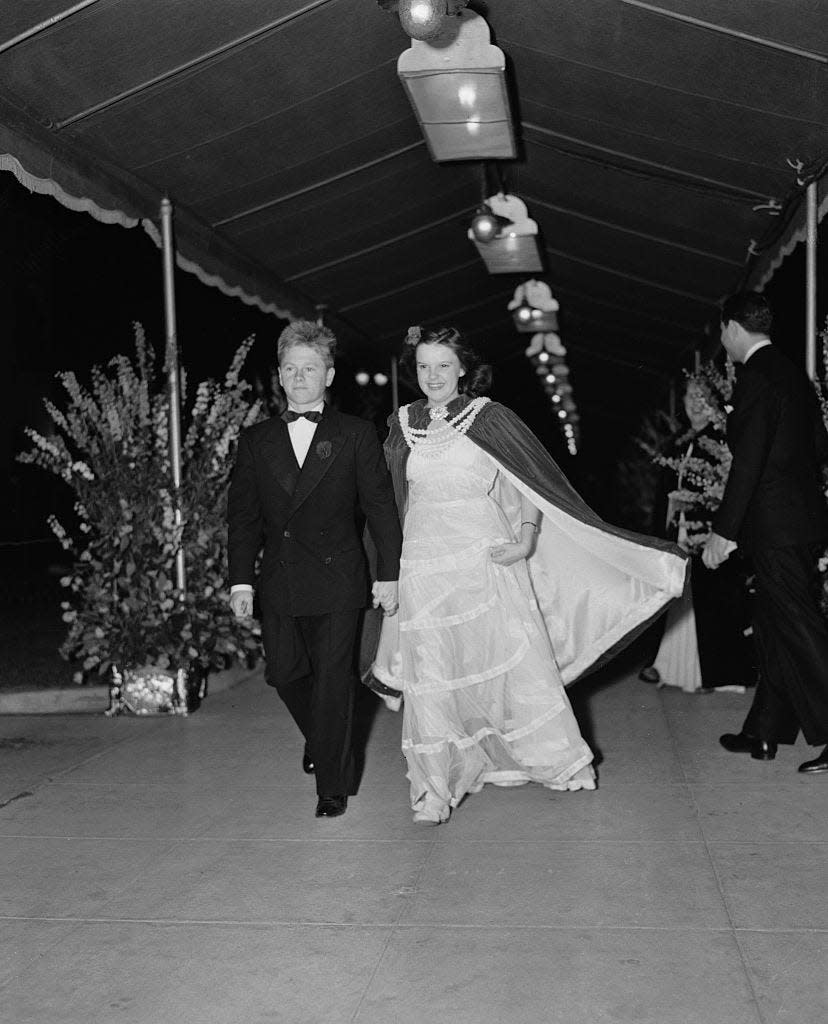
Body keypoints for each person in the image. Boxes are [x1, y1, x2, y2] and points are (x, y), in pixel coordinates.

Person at [369, 325, 688, 825]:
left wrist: (525, 537)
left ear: (464, 370)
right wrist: (386, 570)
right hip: (423, 564)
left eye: (443, 366)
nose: (432, 376)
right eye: (424, 366)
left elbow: (530, 485)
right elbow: (389, 501)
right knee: (430, 673)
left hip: (484, 559)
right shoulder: (401, 423)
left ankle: (554, 759)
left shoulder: (491, 417)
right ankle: (432, 787)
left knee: (508, 664)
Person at [227, 320, 403, 818]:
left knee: (332, 681)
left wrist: (387, 573)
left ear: (328, 376)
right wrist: (240, 579)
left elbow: (380, 508)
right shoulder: (256, 440)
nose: (300, 377)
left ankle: (334, 783)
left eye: (310, 368)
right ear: (279, 377)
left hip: (338, 577)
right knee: (284, 674)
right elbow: (242, 517)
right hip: (280, 578)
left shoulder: (354, 434)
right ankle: (322, 739)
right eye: (290, 369)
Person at [703, 291, 828, 773]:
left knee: (798, 625)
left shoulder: (756, 377)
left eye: (722, 331)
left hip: (774, 525)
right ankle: (765, 731)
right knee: (776, 625)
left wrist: (723, 531)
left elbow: (748, 462)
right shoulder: (793, 373)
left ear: (732, 327)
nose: (723, 341)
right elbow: (819, 445)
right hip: (799, 519)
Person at [642, 378, 755, 692]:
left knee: (710, 602)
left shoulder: (719, 440)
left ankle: (714, 674)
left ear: (713, 403)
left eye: (701, 397)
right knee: (681, 601)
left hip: (707, 534)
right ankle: (670, 668)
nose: (693, 403)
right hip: (679, 533)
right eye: (689, 396)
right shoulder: (680, 440)